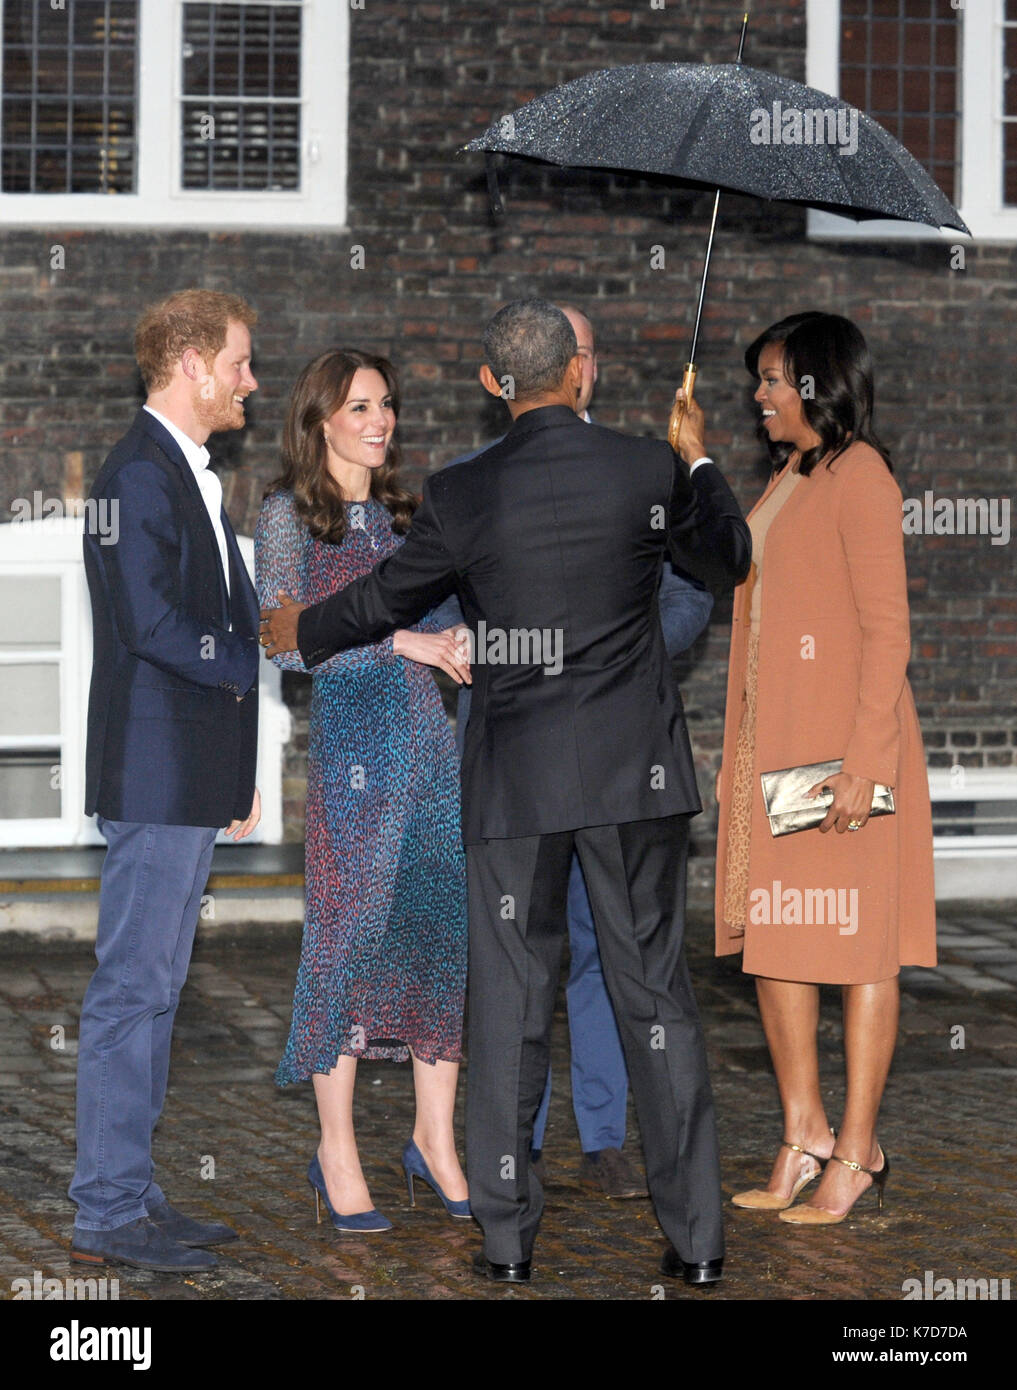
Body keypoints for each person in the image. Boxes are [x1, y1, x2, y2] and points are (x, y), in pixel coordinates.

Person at [261, 300, 751, 1284]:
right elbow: (729, 561)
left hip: (516, 780)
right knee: (655, 995)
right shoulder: (645, 467)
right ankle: (696, 1242)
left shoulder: (462, 491)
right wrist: (695, 457)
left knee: (511, 1005)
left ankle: (506, 1242)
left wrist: (298, 632)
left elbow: (387, 597)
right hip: (635, 776)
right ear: (580, 370)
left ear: (494, 385)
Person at [436, 303, 714, 1199]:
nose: (578, 363)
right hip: (524, 768)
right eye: (570, 351)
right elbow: (442, 616)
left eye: (586, 348)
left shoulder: (645, 468)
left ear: (587, 367)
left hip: (625, 760)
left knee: (612, 963)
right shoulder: (471, 480)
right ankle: (516, 1153)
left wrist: (622, 653)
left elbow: (691, 587)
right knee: (520, 969)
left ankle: (604, 1134)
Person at [713, 311, 936, 1224]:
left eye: (772, 379)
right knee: (779, 943)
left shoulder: (861, 474)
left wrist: (863, 761)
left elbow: (888, 629)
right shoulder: (788, 475)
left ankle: (857, 1148)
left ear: (816, 384)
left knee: (857, 947)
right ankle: (802, 1133)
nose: (760, 395)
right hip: (775, 751)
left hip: (847, 755)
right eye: (759, 380)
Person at [254, 349, 470, 1233]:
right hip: (353, 767)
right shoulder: (285, 518)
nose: (379, 422)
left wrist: (456, 641)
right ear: (319, 422)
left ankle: (435, 1139)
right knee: (344, 946)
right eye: (359, 408)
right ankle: (335, 1154)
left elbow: (443, 617)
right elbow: (281, 642)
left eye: (386, 405)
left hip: (431, 757)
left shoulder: (409, 515)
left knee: (436, 942)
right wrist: (404, 647)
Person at [71, 289, 262, 1273]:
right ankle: (105, 1210)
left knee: (154, 988)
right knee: (131, 989)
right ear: (192, 364)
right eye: (239, 362)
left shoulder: (180, 471)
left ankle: (132, 1194)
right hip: (155, 773)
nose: (250, 381)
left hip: (183, 772)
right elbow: (150, 623)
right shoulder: (140, 474)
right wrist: (246, 660)